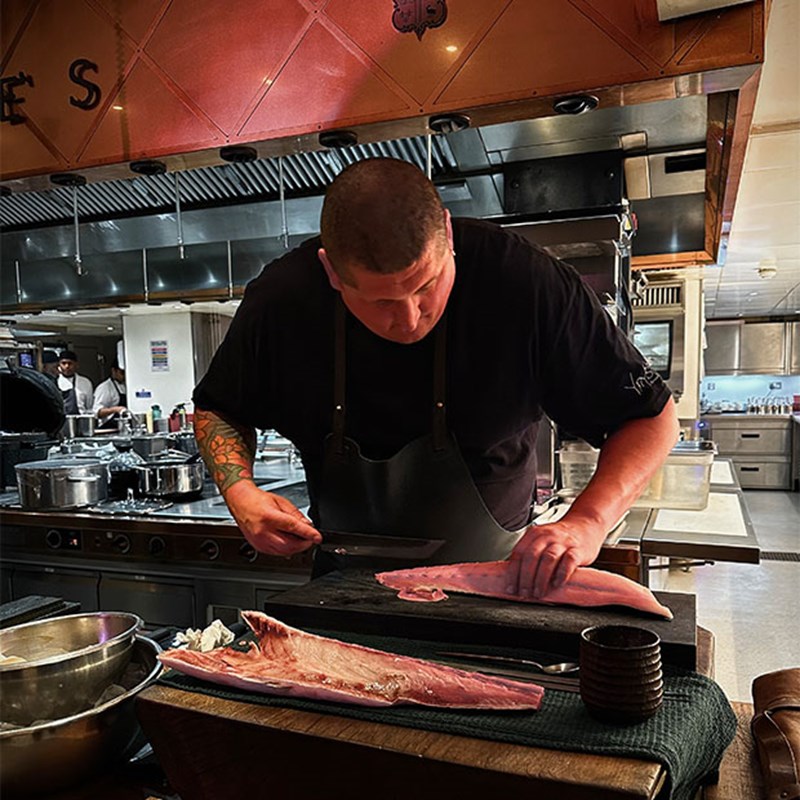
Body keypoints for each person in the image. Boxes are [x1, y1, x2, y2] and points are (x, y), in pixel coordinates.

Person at [193, 157, 679, 597]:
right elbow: (219, 408)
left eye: (426, 285)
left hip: (496, 588)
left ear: (446, 232)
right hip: (344, 591)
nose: (410, 319)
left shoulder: (524, 284)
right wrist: (240, 493)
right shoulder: (282, 302)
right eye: (382, 302)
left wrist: (588, 521)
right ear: (332, 273)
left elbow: (650, 419)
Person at [57, 350, 93, 415]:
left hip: (81, 418)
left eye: (70, 363)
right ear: (59, 365)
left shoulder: (85, 382)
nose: (67, 366)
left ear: (76, 364)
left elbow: (89, 406)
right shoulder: (55, 382)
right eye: (64, 363)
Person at [92, 359, 127, 427]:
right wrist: (115, 410)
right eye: (122, 373)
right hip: (108, 427)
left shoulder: (127, 386)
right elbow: (97, 412)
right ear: (113, 370)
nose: (124, 376)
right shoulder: (104, 387)